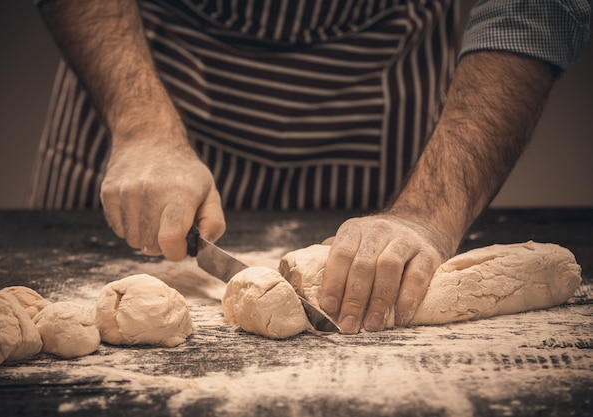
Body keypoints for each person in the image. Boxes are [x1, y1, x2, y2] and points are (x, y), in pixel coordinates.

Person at [29, 0, 591, 334]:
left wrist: (427, 212)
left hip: (374, 87)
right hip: (148, 69)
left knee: (380, 279)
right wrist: (140, 125)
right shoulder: (138, 109)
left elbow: (531, 7)